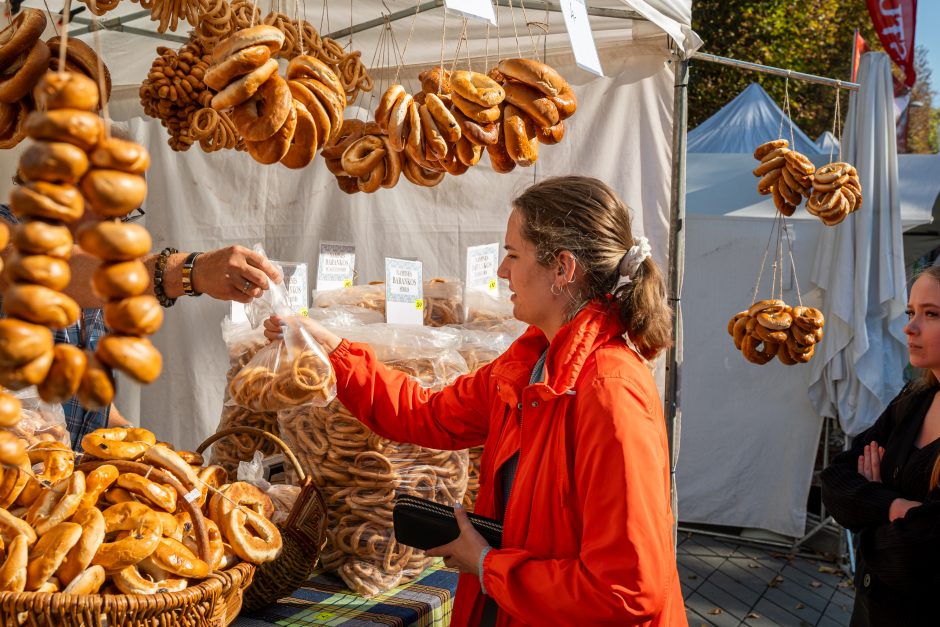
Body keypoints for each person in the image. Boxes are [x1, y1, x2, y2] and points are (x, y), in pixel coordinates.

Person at [265, 176, 686, 626]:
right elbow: (427, 414)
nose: (503, 272)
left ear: (563, 268)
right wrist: (332, 349)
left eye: (513, 254)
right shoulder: (531, 364)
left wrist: (488, 565)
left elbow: (625, 591)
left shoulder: (610, 392)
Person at [0, 201, 282, 445]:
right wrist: (190, 271)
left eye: (124, 217)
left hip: (63, 481)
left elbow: (85, 403)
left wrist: (132, 437)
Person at [820, 265, 940, 626]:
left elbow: (920, 555)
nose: (910, 327)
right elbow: (835, 478)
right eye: (910, 312)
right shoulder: (914, 399)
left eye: (931, 314)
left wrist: (867, 519)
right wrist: (895, 506)